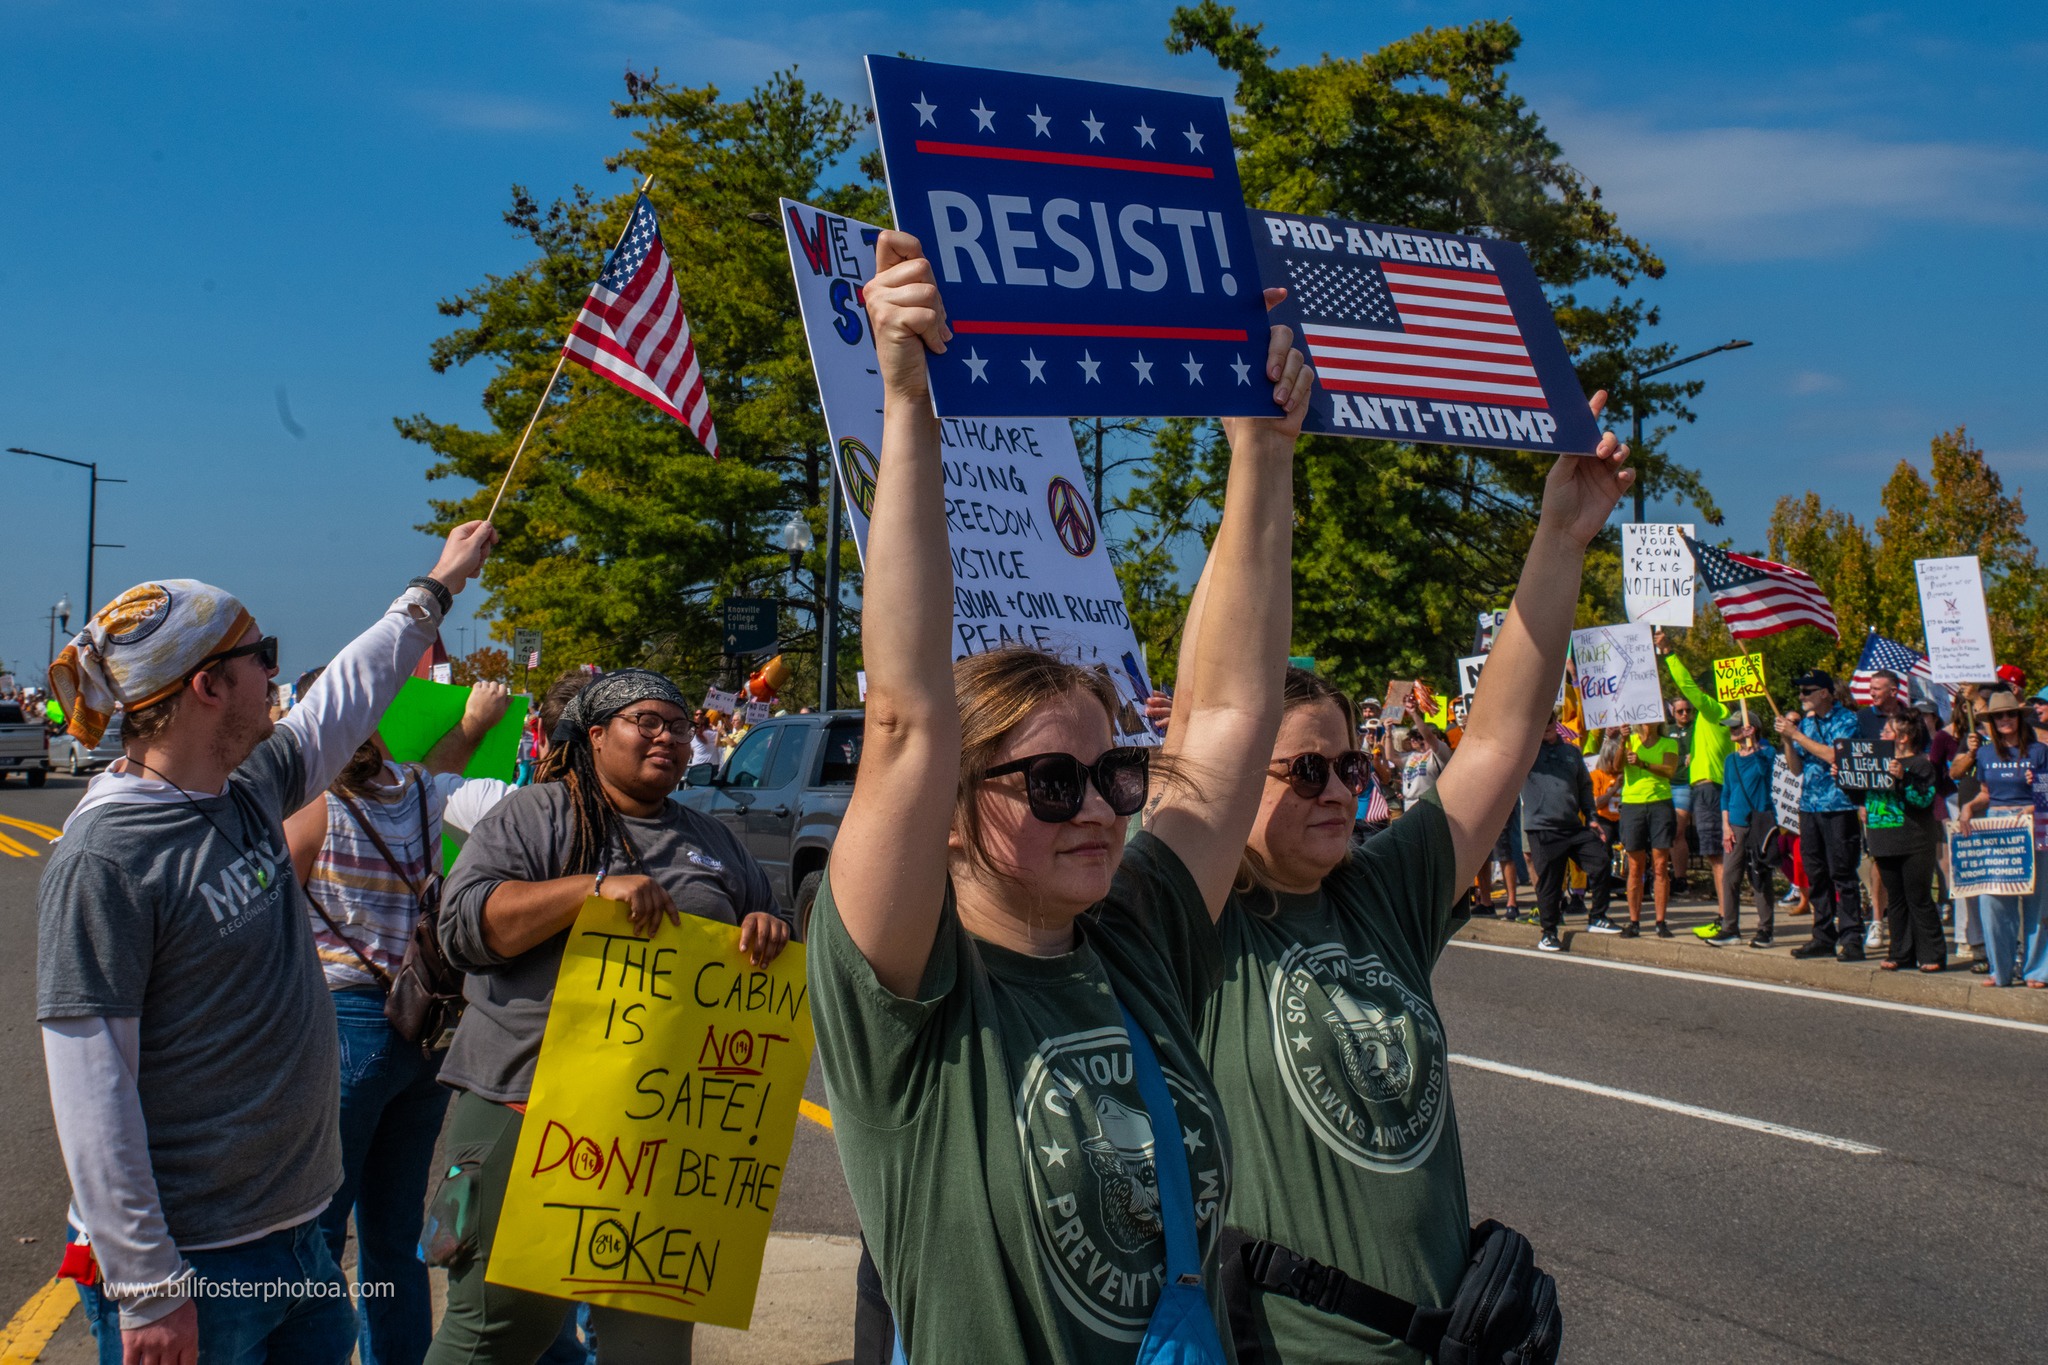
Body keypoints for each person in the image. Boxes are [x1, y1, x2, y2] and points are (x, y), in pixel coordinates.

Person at [811, 231, 1309, 1363]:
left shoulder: (1135, 938)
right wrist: (909, 405)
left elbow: (1233, 714)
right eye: (1048, 781)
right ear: (948, 813)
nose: (1097, 807)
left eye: (1114, 773)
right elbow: (904, 721)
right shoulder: (909, 995)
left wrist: (1262, 453)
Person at [1200, 398, 1625, 1363]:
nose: (1338, 788)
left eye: (1350, 766)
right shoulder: (1200, 922)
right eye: (1306, 769)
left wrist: (1561, 537)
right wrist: (1260, 461)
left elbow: (1501, 739)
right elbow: (1211, 704)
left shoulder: (1380, 889)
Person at [37, 523, 496, 1363]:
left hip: (294, 1239)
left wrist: (437, 587)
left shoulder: (242, 786)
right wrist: (146, 1284)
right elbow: (91, 1085)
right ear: (209, 685)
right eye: (264, 657)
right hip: (194, 1265)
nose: (277, 677)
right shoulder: (107, 856)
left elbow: (345, 696)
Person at [423, 668, 789, 1363]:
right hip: (528, 1110)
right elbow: (464, 928)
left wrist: (767, 930)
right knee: (496, 1335)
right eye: (646, 722)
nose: (668, 737)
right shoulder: (535, 815)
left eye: (678, 726)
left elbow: (769, 935)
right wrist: (589, 891)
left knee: (652, 1347)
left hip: (664, 1138)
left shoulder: (713, 840)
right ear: (595, 735)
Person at [279, 677, 513, 1365]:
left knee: (317, 1232)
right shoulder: (415, 790)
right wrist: (473, 723)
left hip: (343, 1024)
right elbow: (444, 768)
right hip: (421, 1029)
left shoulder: (311, 805)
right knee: (394, 1231)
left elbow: (269, 921)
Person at [1952, 691, 2048, 987]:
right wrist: (1969, 807)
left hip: (2033, 825)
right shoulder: (1984, 754)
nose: (2005, 719)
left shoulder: (2039, 751)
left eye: (2010, 714)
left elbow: (2046, 793)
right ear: (1991, 721)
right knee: (1992, 901)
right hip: (1996, 826)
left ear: (2020, 717)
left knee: (2037, 902)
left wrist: (2031, 800)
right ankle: (2000, 969)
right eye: (1998, 716)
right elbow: (1986, 793)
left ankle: (2036, 971)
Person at [1776, 670, 1867, 960]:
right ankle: (1823, 935)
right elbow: (1796, 769)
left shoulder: (1846, 719)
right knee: (1816, 873)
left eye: (1807, 691)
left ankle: (1851, 937)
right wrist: (1788, 741)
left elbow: (1835, 755)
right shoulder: (1806, 724)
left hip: (1839, 805)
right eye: (1800, 691)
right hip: (1810, 806)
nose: (1802, 696)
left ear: (1824, 693)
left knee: (1842, 872)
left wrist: (1796, 735)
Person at [1522, 714, 1619, 950]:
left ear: (1555, 723)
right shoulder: (1527, 753)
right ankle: (1548, 932)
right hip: (1543, 828)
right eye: (1540, 721)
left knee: (1601, 861)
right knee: (1550, 883)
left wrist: (1592, 818)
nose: (1545, 726)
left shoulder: (1572, 752)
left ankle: (1597, 916)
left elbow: (1585, 787)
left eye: (1548, 721)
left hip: (1573, 826)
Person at [1860, 712, 1945, 972]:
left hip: (1914, 841)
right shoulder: (1876, 763)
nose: (1882, 735)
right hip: (1883, 839)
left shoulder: (1921, 765)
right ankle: (1900, 952)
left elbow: (1923, 799)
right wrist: (1844, 777)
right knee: (1895, 899)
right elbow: (1860, 793)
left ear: (1904, 737)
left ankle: (1932, 954)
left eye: (1887, 731)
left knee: (1918, 897)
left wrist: (1903, 778)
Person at [1657, 635, 1733, 918]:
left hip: (1710, 788)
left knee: (1718, 857)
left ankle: (1726, 919)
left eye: (1699, 691)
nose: (1693, 697)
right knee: (1716, 857)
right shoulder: (1714, 716)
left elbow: (1685, 684)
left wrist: (1669, 653)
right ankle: (1726, 916)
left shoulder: (1714, 710)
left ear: (1706, 691)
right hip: (1710, 787)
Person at [1718, 710, 1778, 947]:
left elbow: (1764, 772)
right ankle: (1730, 928)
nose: (1731, 731)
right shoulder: (1730, 760)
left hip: (1759, 823)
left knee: (1760, 875)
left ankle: (1765, 930)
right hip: (1735, 824)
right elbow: (1726, 793)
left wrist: (1753, 745)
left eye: (1736, 727)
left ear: (1750, 728)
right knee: (1730, 877)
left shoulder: (1767, 754)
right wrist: (1725, 825)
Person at [1618, 720, 1681, 937]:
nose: (1648, 722)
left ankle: (1660, 922)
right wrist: (1622, 741)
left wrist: (1643, 764)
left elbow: (1669, 771)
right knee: (1635, 866)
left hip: (1659, 803)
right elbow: (1615, 767)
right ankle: (1634, 921)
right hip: (1632, 804)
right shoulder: (1630, 740)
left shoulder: (1668, 743)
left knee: (1660, 865)